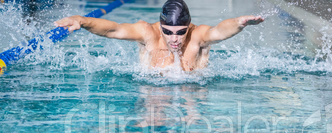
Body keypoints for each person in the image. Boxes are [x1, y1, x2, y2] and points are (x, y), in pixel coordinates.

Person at [55, 0, 264, 71]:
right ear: (160, 26)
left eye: (181, 32)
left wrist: (239, 23)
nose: (174, 39)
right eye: (168, 32)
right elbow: (114, 29)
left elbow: (219, 31)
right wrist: (82, 21)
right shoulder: (148, 32)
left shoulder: (197, 35)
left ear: (188, 26)